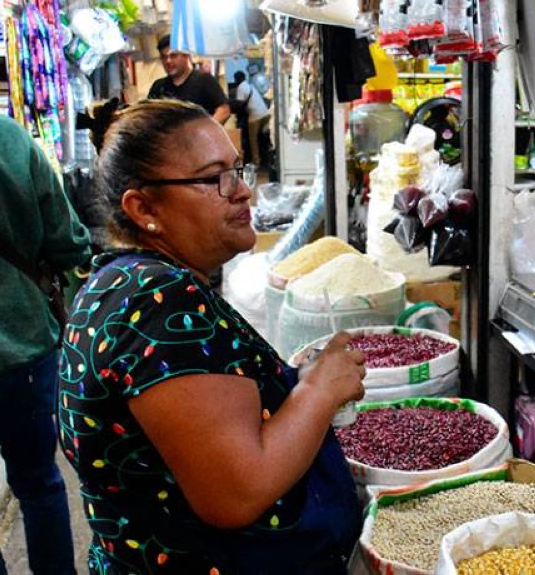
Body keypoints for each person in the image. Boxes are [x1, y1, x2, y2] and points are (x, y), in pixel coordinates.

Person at [58, 99, 366, 573]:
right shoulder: (159, 301)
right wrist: (320, 390)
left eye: (237, 171)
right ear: (143, 208)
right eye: (213, 178)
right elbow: (235, 492)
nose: (242, 191)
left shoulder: (115, 280)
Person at [0, 113, 90, 574]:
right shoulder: (4, 136)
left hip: (21, 346)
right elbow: (67, 239)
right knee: (39, 485)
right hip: (22, 346)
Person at [148, 35, 230, 124]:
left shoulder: (204, 80)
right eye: (164, 57)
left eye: (173, 55)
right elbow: (147, 115)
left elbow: (224, 110)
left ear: (186, 55)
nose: (168, 61)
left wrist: (206, 132)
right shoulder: (158, 87)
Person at [233, 71, 271, 167]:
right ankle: (268, 157)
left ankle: (256, 161)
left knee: (252, 140)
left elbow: (239, 104)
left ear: (236, 79)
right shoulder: (250, 85)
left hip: (255, 116)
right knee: (264, 137)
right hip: (265, 113)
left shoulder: (240, 87)